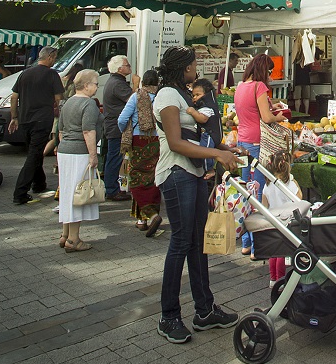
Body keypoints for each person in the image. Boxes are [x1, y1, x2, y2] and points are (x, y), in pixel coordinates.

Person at [153, 45, 241, 344]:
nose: (196, 67)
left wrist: (224, 149)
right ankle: (169, 316)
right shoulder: (167, 95)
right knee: (180, 242)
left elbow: (195, 134)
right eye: (193, 63)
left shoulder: (180, 93)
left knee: (197, 243)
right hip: (176, 175)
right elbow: (176, 142)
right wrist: (215, 153)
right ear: (184, 67)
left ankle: (204, 310)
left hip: (191, 174)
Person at [233, 53, 284, 256]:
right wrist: (278, 116)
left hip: (242, 141)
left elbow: (250, 111)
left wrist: (271, 107)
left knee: (245, 191)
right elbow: (266, 117)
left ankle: (246, 242)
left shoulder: (241, 86)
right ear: (265, 70)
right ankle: (257, 247)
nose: (271, 75)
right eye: (270, 71)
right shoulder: (259, 87)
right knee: (258, 193)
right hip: (257, 143)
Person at [8, 45, 63, 205]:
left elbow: (14, 97)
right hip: (42, 119)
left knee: (35, 151)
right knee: (34, 154)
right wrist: (60, 113)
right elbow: (59, 98)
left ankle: (39, 183)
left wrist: (14, 117)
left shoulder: (25, 73)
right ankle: (20, 192)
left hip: (25, 119)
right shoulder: (52, 74)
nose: (55, 60)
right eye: (55, 57)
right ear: (50, 57)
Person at [56, 69, 104, 251]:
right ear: (86, 85)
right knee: (79, 193)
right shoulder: (89, 104)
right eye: (95, 84)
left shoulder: (67, 103)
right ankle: (74, 240)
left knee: (68, 191)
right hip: (79, 152)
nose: (97, 87)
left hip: (65, 150)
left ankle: (65, 234)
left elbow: (60, 130)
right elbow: (88, 131)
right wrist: (93, 155)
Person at [118, 69, 163, 237]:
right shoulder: (160, 98)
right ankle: (142, 219)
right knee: (153, 179)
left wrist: (126, 131)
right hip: (157, 142)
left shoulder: (136, 97)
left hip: (138, 141)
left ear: (143, 82)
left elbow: (122, 119)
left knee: (136, 179)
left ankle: (149, 216)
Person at [262, 149, 302, 285]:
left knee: (273, 253)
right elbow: (300, 200)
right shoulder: (290, 184)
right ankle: (281, 279)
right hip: (286, 222)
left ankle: (273, 278)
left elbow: (264, 203)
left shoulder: (267, 185)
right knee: (282, 253)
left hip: (272, 221)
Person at [102, 53, 134, 201]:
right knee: (115, 157)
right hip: (116, 126)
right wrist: (136, 84)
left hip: (112, 124)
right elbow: (133, 100)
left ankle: (111, 187)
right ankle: (111, 189)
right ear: (120, 68)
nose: (130, 67)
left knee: (113, 156)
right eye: (127, 65)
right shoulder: (118, 84)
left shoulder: (114, 81)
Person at [189, 77, 222, 177]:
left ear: (206, 95)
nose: (195, 98)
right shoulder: (204, 105)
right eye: (193, 95)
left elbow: (202, 119)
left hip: (209, 134)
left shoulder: (207, 107)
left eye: (198, 95)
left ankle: (210, 169)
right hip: (208, 133)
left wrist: (192, 112)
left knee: (206, 151)